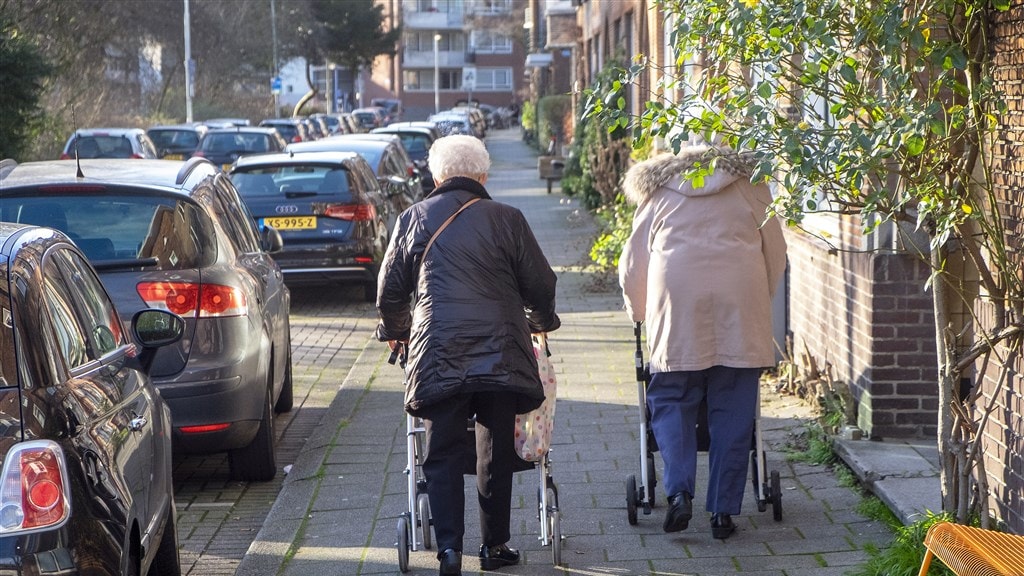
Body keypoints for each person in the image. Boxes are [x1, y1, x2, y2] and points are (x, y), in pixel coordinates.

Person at [376, 134, 560, 575]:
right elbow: (541, 284)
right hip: (501, 350)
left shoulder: (412, 218)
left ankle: (449, 551)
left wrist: (397, 331)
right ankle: (495, 547)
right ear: (483, 175)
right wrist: (539, 320)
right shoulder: (508, 218)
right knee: (495, 447)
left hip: (437, 350)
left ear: (436, 176)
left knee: (440, 449)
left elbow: (390, 291)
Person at [618, 146, 787, 540]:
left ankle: (678, 492)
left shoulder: (659, 192)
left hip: (677, 307)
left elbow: (633, 265)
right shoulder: (751, 186)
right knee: (733, 408)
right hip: (739, 303)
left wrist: (638, 313)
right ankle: (723, 513)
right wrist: (759, 300)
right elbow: (775, 253)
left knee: (672, 398)